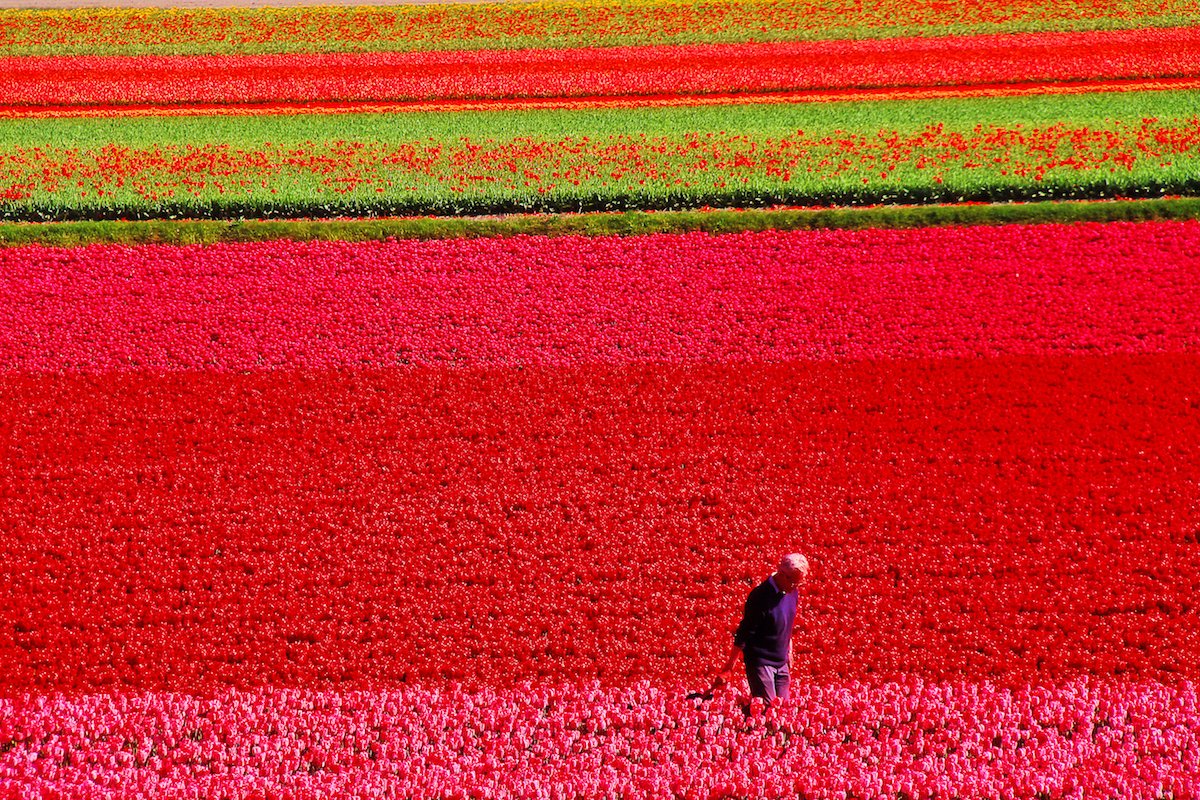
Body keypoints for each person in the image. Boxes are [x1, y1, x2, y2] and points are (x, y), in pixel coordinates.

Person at [711, 553, 808, 706]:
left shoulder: (792, 592)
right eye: (794, 583)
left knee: (784, 710)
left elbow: (788, 623)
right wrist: (729, 667)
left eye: (799, 584)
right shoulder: (760, 596)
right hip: (762, 662)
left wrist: (789, 650)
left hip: (782, 662)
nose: (796, 587)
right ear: (783, 575)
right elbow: (745, 632)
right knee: (768, 709)